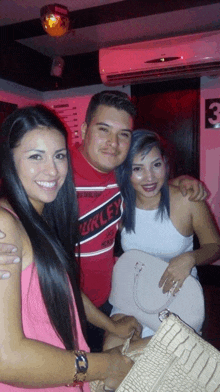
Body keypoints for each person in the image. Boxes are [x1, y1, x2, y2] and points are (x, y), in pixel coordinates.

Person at [0, 91, 207, 352]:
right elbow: (16, 199)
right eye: (104, 129)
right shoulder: (57, 175)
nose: (113, 142)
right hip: (63, 303)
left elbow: (149, 180)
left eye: (123, 134)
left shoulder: (121, 175)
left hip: (110, 299)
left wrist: (181, 182)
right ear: (85, 129)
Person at [0, 105, 147, 392]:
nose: (52, 170)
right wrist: (105, 365)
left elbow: (62, 289)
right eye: (35, 157)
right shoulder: (6, 225)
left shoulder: (45, 215)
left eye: (59, 156)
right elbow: (6, 358)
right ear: (9, 161)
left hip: (62, 372)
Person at [104, 129, 220, 347]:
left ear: (165, 164)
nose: (149, 177)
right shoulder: (119, 203)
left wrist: (190, 258)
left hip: (178, 298)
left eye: (156, 165)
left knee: (160, 358)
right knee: (113, 354)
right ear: (125, 171)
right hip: (131, 295)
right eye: (137, 168)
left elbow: (215, 246)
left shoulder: (187, 200)